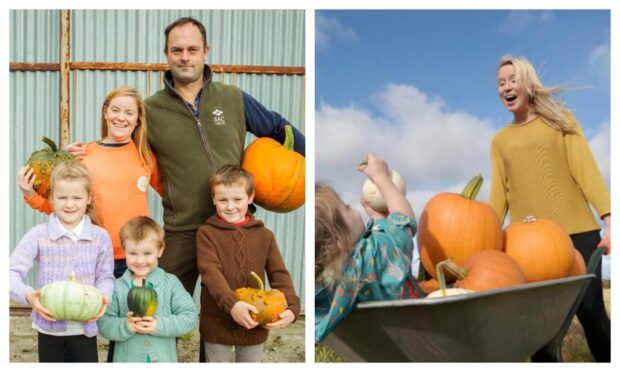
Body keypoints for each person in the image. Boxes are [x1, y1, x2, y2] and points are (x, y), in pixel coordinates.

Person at [143, 16, 306, 297]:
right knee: (160, 305)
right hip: (182, 230)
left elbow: (278, 127)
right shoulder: (149, 110)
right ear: (166, 54)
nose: (184, 57)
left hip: (233, 228)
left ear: (206, 51)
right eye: (177, 50)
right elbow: (120, 147)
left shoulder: (233, 98)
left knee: (227, 318)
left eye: (192, 50)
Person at [490, 55, 611, 362]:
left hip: (579, 235)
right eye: (500, 83)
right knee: (541, 331)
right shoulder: (500, 141)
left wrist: (611, 221)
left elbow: (587, 172)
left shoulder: (562, 121)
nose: (506, 87)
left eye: (512, 79)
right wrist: (486, 239)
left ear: (528, 83)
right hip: (527, 245)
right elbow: (498, 197)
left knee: (592, 315)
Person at [18, 86, 162, 279]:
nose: (121, 117)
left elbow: (171, 195)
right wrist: (30, 194)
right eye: (115, 110)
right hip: (91, 254)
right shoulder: (82, 154)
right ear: (105, 112)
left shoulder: (146, 156)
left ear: (137, 120)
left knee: (135, 309)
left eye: (129, 113)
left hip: (134, 256)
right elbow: (64, 205)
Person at [9, 160, 114, 362]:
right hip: (49, 330)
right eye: (62, 197)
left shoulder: (100, 237)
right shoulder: (38, 235)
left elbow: (106, 276)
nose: (69, 204)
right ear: (51, 198)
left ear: (89, 198)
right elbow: (10, 273)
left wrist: (103, 297)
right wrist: (28, 295)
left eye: (77, 197)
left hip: (85, 329)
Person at [196, 165, 300, 362]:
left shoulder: (265, 236)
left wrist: (292, 307)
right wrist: (232, 305)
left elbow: (279, 274)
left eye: (237, 199)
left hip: (256, 321)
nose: (230, 206)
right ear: (213, 199)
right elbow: (210, 272)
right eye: (222, 200)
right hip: (217, 321)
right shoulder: (207, 234)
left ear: (250, 197)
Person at [314, 153, 423, 343]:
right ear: (340, 241)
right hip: (415, 330)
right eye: (347, 207)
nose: (354, 208)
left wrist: (377, 218)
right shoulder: (368, 257)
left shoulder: (329, 282)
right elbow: (403, 224)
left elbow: (372, 248)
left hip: (380, 340)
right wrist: (382, 180)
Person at [98, 216, 198, 362]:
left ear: (160, 250)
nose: (140, 261)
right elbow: (104, 323)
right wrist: (126, 326)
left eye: (147, 253)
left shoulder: (170, 283)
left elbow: (190, 317)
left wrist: (159, 325)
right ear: (124, 250)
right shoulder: (117, 287)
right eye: (133, 253)